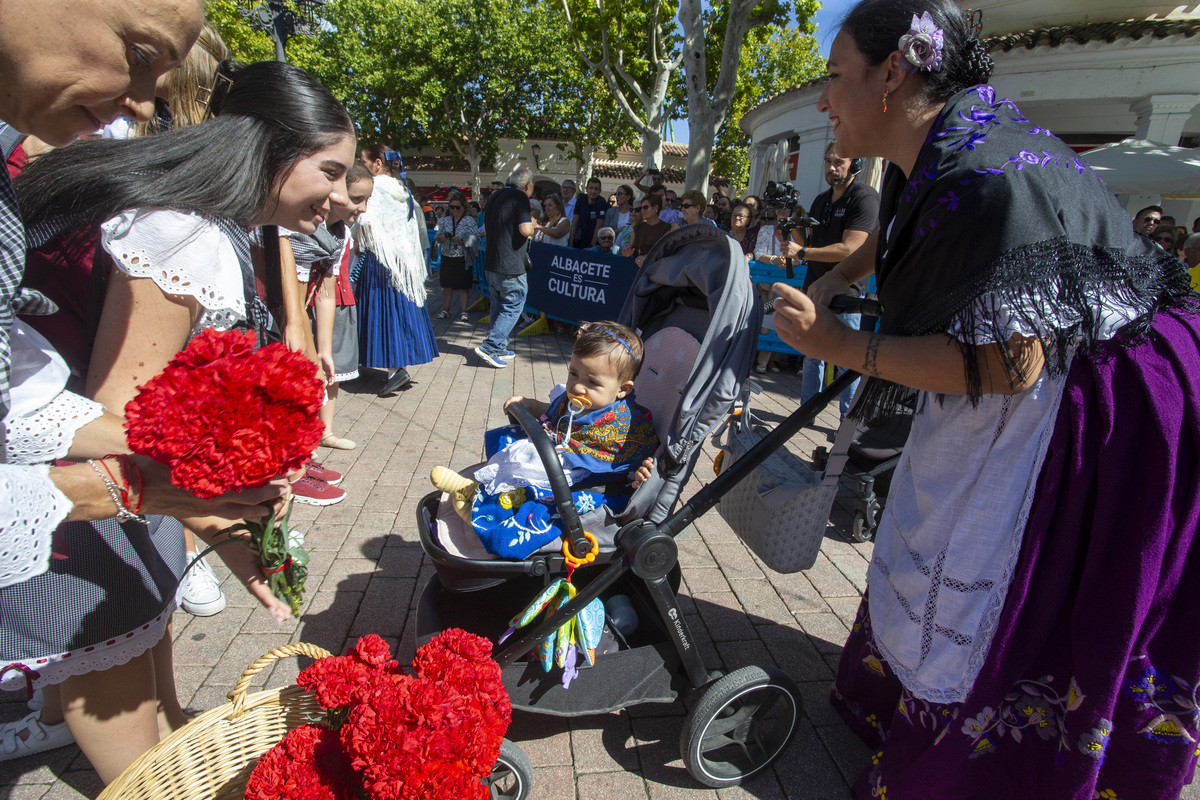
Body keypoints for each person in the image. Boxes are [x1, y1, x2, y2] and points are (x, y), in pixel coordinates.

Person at [772, 2, 1200, 797]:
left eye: (835, 77)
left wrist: (840, 348)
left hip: (1112, 410)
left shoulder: (989, 175)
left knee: (1017, 579)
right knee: (934, 537)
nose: (825, 99)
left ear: (893, 74)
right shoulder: (934, 141)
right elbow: (895, 231)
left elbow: (1010, 365)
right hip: (1049, 378)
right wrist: (834, 280)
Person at [7, 57, 353, 781]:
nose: (342, 195)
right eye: (329, 170)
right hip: (87, 518)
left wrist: (229, 507)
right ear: (274, 149)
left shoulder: (222, 227)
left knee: (169, 721)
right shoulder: (185, 233)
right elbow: (116, 418)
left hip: (124, 505)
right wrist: (230, 486)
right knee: (145, 766)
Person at [431, 322, 657, 558]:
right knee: (510, 440)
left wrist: (640, 473)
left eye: (592, 382)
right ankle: (481, 491)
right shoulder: (582, 400)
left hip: (590, 481)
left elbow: (638, 457)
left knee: (537, 506)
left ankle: (482, 511)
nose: (578, 386)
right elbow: (555, 413)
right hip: (558, 454)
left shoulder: (628, 427)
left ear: (623, 389)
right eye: (573, 373)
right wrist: (529, 404)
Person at [781, 141, 880, 418]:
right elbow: (808, 243)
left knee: (847, 358)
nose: (832, 167)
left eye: (839, 162)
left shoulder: (864, 198)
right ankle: (806, 412)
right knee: (812, 354)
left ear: (855, 165)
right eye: (828, 161)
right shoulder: (821, 200)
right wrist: (790, 227)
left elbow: (852, 248)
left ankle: (849, 419)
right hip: (814, 286)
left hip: (847, 292)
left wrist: (801, 251)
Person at [289, 162, 375, 452]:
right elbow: (292, 290)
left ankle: (321, 435)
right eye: (357, 199)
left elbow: (325, 289)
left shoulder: (342, 233)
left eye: (367, 200)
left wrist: (323, 349)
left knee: (328, 370)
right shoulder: (298, 224)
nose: (362, 208)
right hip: (287, 310)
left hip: (310, 306)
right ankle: (299, 446)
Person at [356, 144, 439, 396]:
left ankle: (394, 369)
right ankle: (396, 367)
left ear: (378, 163)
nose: (363, 166)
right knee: (400, 313)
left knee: (384, 314)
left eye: (364, 162)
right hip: (403, 264)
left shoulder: (376, 188)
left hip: (381, 262)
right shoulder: (403, 190)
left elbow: (365, 220)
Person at [476, 166, 535, 369]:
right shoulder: (520, 198)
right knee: (512, 305)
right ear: (528, 185)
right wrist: (533, 224)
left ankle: (499, 346)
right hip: (511, 263)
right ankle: (491, 346)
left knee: (498, 305)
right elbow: (525, 229)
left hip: (492, 261)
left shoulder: (494, 196)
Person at [433, 191, 477, 322]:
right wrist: (441, 238)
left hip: (462, 257)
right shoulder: (445, 220)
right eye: (452, 207)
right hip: (447, 256)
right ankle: (445, 309)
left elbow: (475, 237)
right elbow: (437, 237)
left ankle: (464, 311)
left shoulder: (469, 221)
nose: (455, 210)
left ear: (464, 207)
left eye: (458, 207)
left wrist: (462, 240)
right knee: (447, 285)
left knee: (463, 285)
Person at [628, 193, 671, 266]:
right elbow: (629, 249)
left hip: (657, 270)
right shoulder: (637, 228)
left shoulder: (667, 228)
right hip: (636, 269)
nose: (643, 210)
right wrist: (627, 253)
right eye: (641, 208)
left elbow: (665, 251)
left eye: (646, 207)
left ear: (656, 207)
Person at [571, 176, 609, 248]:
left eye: (596, 189)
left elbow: (599, 225)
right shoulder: (581, 200)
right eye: (591, 188)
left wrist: (592, 245)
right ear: (586, 189)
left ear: (600, 191)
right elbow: (575, 222)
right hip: (580, 239)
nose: (593, 191)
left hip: (595, 243)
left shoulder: (601, 202)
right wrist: (570, 242)